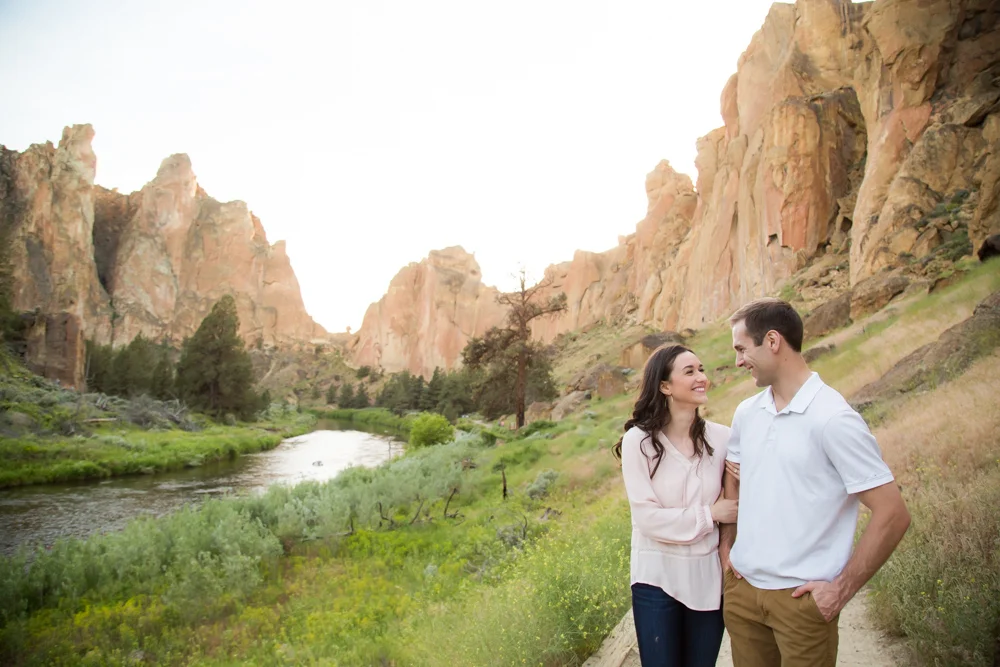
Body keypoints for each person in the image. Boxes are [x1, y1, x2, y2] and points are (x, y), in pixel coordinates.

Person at [719, 298, 911, 667]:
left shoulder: (833, 419)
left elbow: (893, 513)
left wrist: (840, 590)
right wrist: (728, 549)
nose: (739, 361)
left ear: (772, 341)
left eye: (742, 349)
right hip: (743, 595)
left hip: (800, 605)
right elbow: (734, 475)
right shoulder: (747, 412)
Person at [613, 344, 739, 667]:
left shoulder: (723, 439)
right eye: (690, 372)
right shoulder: (638, 442)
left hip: (707, 579)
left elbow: (740, 502)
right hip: (656, 578)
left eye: (701, 369)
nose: (702, 378)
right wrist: (710, 514)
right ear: (665, 386)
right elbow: (647, 520)